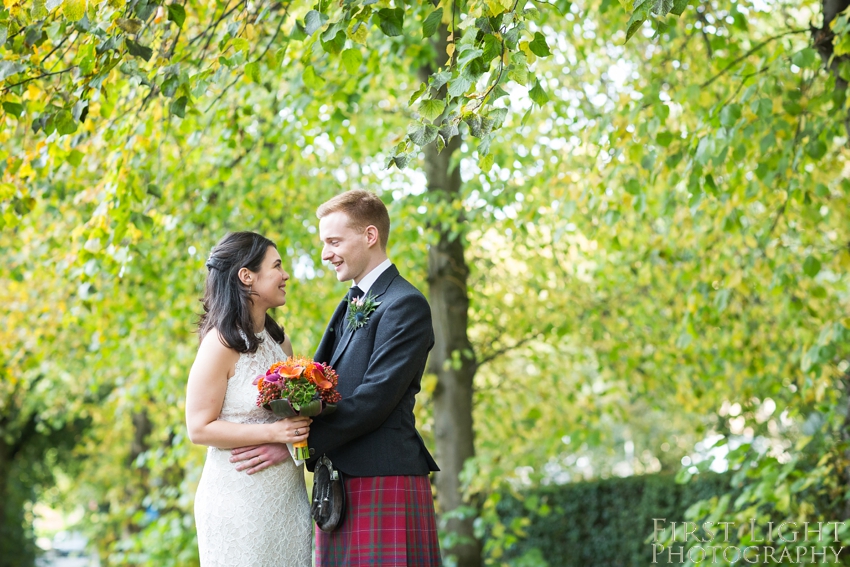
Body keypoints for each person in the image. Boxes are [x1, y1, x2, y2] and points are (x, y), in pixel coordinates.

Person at [307, 190, 442, 566]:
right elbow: (320, 382)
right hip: (340, 483)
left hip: (383, 477)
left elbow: (374, 400)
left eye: (334, 241)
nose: (325, 254)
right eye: (323, 243)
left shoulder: (405, 303)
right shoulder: (350, 301)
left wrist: (298, 442)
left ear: (370, 236)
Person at [185, 231, 313, 567]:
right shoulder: (220, 344)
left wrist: (293, 442)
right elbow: (199, 428)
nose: (285, 275)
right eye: (276, 266)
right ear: (247, 276)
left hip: (288, 500)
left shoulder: (278, 340)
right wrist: (274, 434)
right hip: (239, 503)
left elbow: (291, 421)